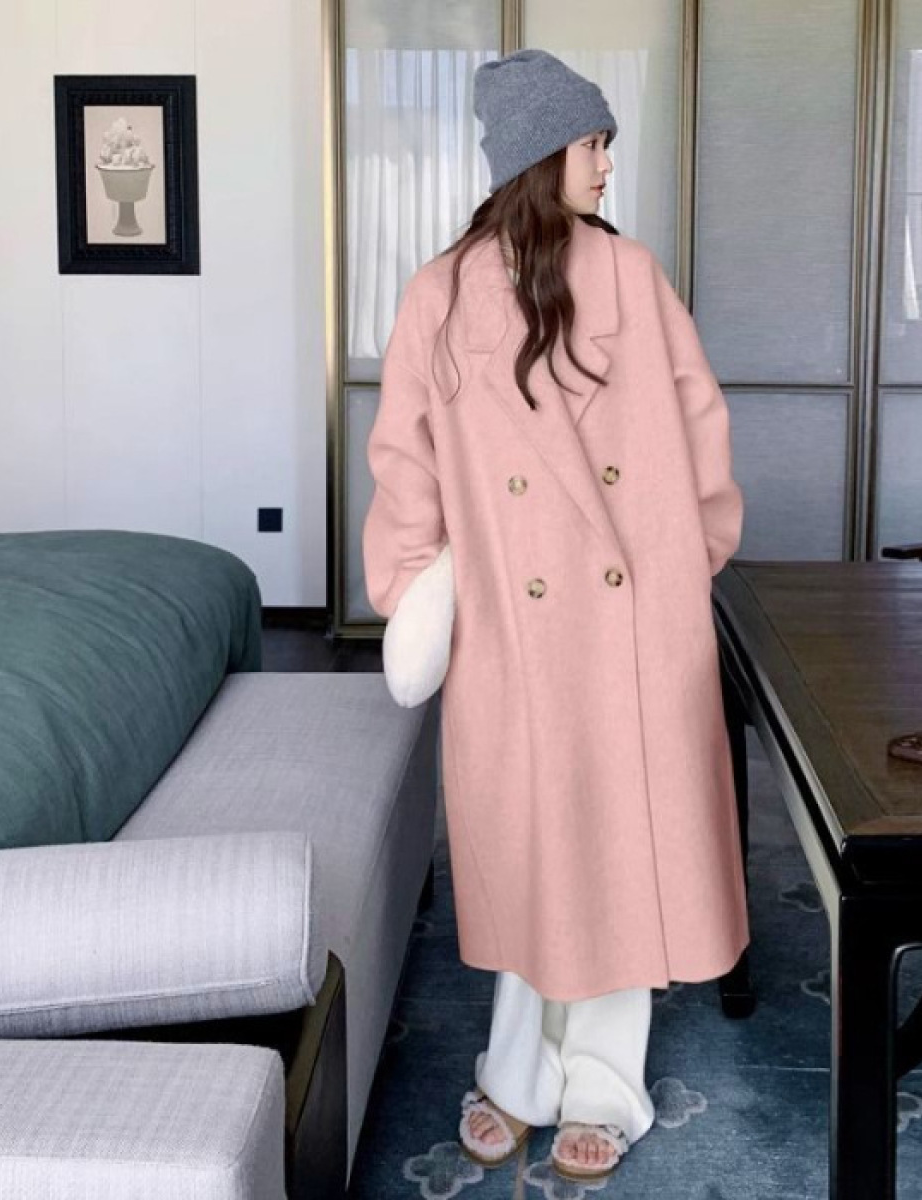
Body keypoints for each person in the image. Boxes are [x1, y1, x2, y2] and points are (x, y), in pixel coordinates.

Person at [362, 47, 749, 1182]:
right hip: (512, 616)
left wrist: (687, 560)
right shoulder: (439, 293)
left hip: (633, 611)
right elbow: (404, 461)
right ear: (540, 153)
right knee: (530, 840)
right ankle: (518, 1070)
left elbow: (700, 424)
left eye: (607, 143)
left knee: (623, 840)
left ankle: (604, 1086)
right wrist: (414, 585)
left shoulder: (631, 276)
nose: (608, 164)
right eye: (591, 143)